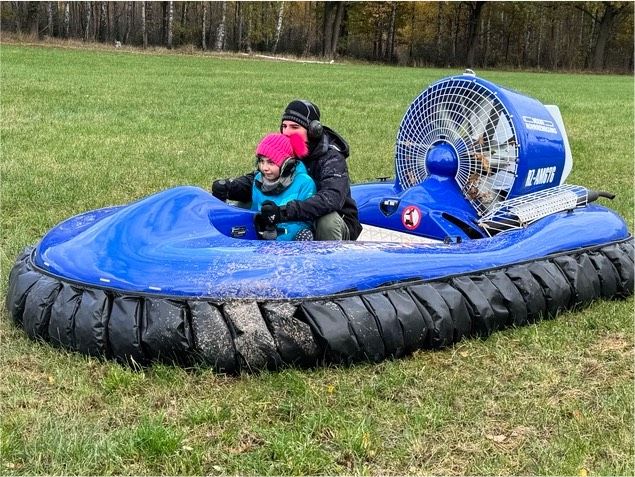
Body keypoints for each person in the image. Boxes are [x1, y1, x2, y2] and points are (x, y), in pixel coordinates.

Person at [212, 100, 362, 240]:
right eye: (284, 126)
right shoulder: (287, 149)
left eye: (294, 127)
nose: (287, 132)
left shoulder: (332, 158)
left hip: (332, 222)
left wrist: (283, 212)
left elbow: (331, 199)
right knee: (244, 203)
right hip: (291, 214)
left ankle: (329, 265)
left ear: (313, 131)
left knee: (327, 221)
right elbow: (261, 177)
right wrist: (230, 187)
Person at [251, 132, 316, 241]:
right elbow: (254, 212)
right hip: (265, 237)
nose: (264, 168)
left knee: (305, 234)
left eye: (271, 162)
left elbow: (306, 222)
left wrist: (279, 238)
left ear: (287, 164)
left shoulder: (304, 183)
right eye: (262, 161)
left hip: (293, 239)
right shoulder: (258, 180)